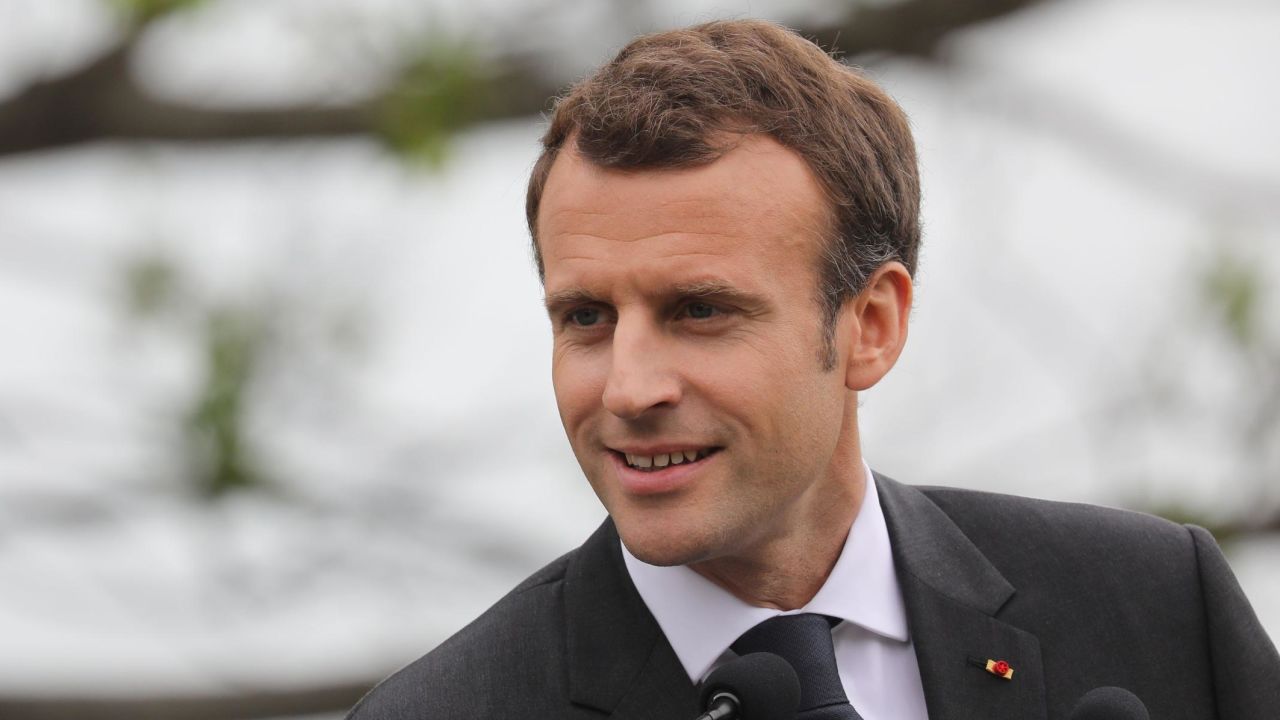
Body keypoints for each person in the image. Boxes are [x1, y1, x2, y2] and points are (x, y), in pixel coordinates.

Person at [347, 19, 1280, 720]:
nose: (629, 390)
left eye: (700, 311)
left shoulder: (1155, 607)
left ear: (871, 324)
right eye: (585, 318)